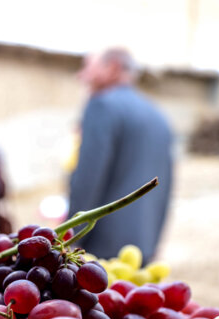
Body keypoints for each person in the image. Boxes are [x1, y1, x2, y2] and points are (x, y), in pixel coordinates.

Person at [68, 48, 173, 261]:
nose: (81, 76)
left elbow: (89, 175)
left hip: (102, 244)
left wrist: (70, 236)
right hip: (143, 245)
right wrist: (153, 241)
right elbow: (166, 184)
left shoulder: (101, 105)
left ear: (113, 67)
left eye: (88, 67)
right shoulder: (158, 115)